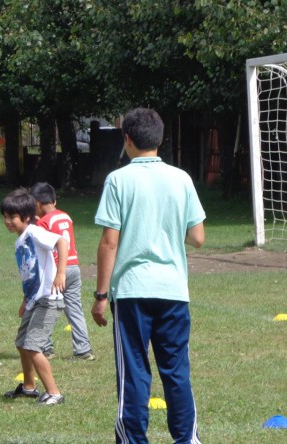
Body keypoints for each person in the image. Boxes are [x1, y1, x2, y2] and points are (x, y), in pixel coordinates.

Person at [92, 108, 205, 444]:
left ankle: (133, 439)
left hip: (132, 292)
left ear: (126, 139)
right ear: (161, 138)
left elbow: (109, 241)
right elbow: (197, 237)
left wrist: (100, 296)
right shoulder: (181, 178)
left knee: (134, 372)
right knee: (176, 371)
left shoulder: (118, 180)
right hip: (173, 290)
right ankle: (187, 439)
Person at [1, 188, 68, 405]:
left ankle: (54, 393)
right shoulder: (20, 240)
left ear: (27, 217)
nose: (7, 221)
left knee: (32, 346)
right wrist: (25, 300)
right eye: (5, 216)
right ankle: (29, 387)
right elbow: (30, 274)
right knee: (22, 343)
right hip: (34, 300)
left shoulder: (33, 232)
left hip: (48, 300)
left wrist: (60, 273)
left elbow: (62, 242)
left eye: (12, 217)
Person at [30, 182, 95, 360]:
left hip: (58, 269)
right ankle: (83, 349)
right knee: (75, 309)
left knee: (46, 306)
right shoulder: (65, 216)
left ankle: (46, 348)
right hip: (74, 266)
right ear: (54, 201)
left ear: (36, 203)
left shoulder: (43, 223)